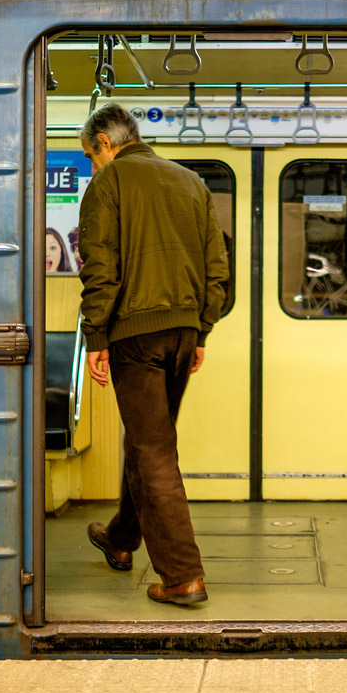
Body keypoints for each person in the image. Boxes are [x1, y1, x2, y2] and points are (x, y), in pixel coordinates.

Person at [76, 102, 229, 606]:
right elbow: (216, 267)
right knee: (149, 439)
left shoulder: (109, 184)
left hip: (134, 335)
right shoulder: (191, 183)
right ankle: (121, 540)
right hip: (184, 331)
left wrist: (95, 336)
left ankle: (183, 575)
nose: (94, 167)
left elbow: (101, 267)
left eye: (92, 158)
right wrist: (201, 330)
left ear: (104, 144)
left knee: (154, 449)